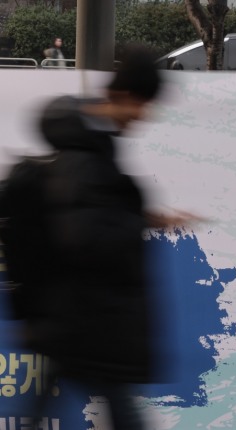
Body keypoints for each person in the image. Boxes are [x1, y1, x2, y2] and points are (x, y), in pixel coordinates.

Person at [24, 44, 191, 430]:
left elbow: (89, 214)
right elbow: (84, 234)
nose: (144, 116)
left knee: (58, 394)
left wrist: (141, 217)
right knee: (121, 408)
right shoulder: (85, 155)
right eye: (143, 104)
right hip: (90, 315)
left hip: (80, 315)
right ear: (125, 95)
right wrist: (134, 222)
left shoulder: (93, 144)